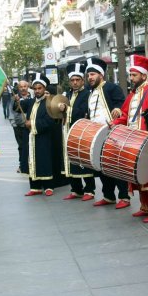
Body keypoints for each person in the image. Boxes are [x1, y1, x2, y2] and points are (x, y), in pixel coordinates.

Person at [110, 55, 148, 221]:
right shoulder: (132, 94)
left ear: (143, 75)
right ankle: (145, 206)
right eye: (130, 75)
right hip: (134, 142)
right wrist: (115, 121)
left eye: (134, 75)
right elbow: (126, 114)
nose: (131, 78)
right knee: (139, 173)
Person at [85, 57, 128, 208]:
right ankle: (108, 196)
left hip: (112, 133)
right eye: (88, 75)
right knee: (101, 167)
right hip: (97, 135)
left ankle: (124, 196)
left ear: (100, 75)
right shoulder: (91, 93)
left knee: (115, 166)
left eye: (93, 74)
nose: (90, 77)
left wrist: (118, 109)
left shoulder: (111, 88)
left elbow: (122, 105)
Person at [60, 63, 95, 201]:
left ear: (82, 80)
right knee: (70, 160)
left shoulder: (87, 94)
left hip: (81, 131)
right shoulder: (66, 95)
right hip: (67, 130)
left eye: (77, 80)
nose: (75, 82)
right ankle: (76, 189)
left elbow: (82, 112)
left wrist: (66, 109)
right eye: (72, 80)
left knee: (83, 160)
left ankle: (89, 190)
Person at [23, 73, 59, 196]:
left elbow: (49, 121)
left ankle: (49, 186)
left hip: (45, 137)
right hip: (32, 137)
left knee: (45, 160)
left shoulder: (49, 103)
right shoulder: (31, 102)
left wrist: (32, 124)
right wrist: (17, 100)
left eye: (40, 88)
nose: (37, 91)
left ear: (44, 89)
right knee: (32, 160)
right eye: (35, 89)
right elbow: (17, 107)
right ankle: (35, 187)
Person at [10, 81, 32, 174]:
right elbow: (12, 110)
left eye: (25, 86)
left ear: (28, 87)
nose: (23, 88)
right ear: (18, 88)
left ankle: (31, 163)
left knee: (30, 145)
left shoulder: (33, 96)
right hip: (19, 126)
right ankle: (22, 164)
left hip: (31, 125)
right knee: (21, 146)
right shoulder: (15, 97)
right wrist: (14, 124)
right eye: (21, 87)